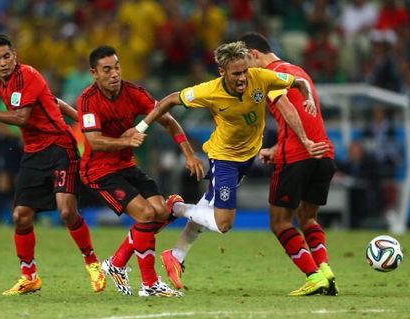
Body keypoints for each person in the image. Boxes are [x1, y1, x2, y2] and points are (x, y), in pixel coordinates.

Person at [131, 41, 326, 291]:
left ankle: (176, 256)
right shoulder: (208, 91)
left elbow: (299, 83)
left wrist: (308, 98)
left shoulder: (260, 77)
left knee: (206, 206)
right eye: (236, 74)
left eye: (245, 71)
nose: (243, 78)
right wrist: (141, 127)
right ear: (222, 72)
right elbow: (169, 100)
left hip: (248, 156)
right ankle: (176, 207)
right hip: (225, 159)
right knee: (223, 223)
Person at [0, 34, 106, 296]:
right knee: (20, 216)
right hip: (34, 154)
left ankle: (92, 262)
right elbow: (53, 101)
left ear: (15, 54)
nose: (3, 62)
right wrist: (81, 118)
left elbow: (22, 118)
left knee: (67, 211)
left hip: (60, 147)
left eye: (6, 56)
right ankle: (29, 276)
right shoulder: (3, 87)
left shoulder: (28, 75)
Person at [77, 45, 204, 297]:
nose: (114, 74)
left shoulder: (134, 93)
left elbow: (168, 120)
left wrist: (189, 154)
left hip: (126, 166)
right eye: (106, 69)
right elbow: (93, 141)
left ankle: (116, 263)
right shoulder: (88, 100)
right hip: (99, 171)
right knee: (146, 214)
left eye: (117, 67)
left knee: (160, 212)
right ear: (94, 73)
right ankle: (149, 284)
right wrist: (127, 140)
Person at [241, 32, 338, 296]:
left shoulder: (269, 76)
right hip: (324, 154)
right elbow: (306, 118)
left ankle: (313, 276)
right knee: (308, 217)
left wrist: (303, 142)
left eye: (244, 63)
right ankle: (325, 270)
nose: (243, 73)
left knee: (280, 222)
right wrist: (276, 147)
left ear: (254, 55)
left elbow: (286, 108)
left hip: (298, 156)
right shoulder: (297, 70)